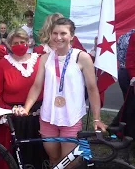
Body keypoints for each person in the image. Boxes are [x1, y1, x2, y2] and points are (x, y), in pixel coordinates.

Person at [13, 18, 107, 168]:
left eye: (63, 33)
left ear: (72, 36)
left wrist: (96, 118)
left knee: (69, 164)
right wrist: (26, 108)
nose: (58, 37)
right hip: (48, 118)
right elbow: (37, 86)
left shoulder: (81, 57)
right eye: (55, 33)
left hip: (71, 118)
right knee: (54, 160)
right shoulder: (45, 58)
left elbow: (92, 88)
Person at [0, 28, 47, 169]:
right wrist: (6, 113)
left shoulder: (40, 61)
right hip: (13, 116)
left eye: (23, 41)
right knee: (14, 156)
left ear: (28, 42)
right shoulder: (2, 64)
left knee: (38, 153)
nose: (20, 44)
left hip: (38, 116)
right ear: (9, 44)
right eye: (15, 42)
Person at [111, 29, 135, 138]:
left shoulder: (127, 35)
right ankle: (127, 134)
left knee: (128, 104)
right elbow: (130, 58)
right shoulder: (131, 35)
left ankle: (115, 127)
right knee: (130, 105)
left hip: (125, 71)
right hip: (128, 73)